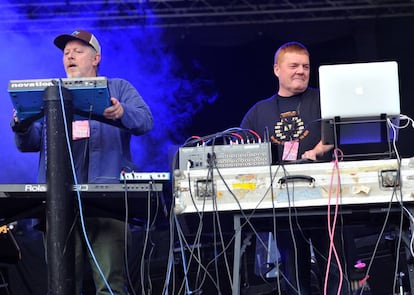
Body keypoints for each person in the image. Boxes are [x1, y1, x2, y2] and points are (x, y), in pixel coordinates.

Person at [12, 29, 153, 294]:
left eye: (78, 51)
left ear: (96, 58)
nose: (70, 56)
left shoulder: (118, 87)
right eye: (66, 53)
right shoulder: (51, 93)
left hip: (106, 205)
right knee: (63, 285)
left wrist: (122, 112)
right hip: (59, 204)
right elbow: (29, 143)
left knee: (110, 285)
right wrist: (20, 124)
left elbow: (145, 121)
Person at [240, 41, 348, 294]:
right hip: (283, 203)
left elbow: (338, 134)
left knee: (334, 270)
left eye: (306, 66)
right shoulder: (259, 111)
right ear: (277, 70)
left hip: (325, 199)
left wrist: (318, 151)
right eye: (294, 66)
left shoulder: (324, 99)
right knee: (292, 272)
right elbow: (242, 151)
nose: (301, 71)